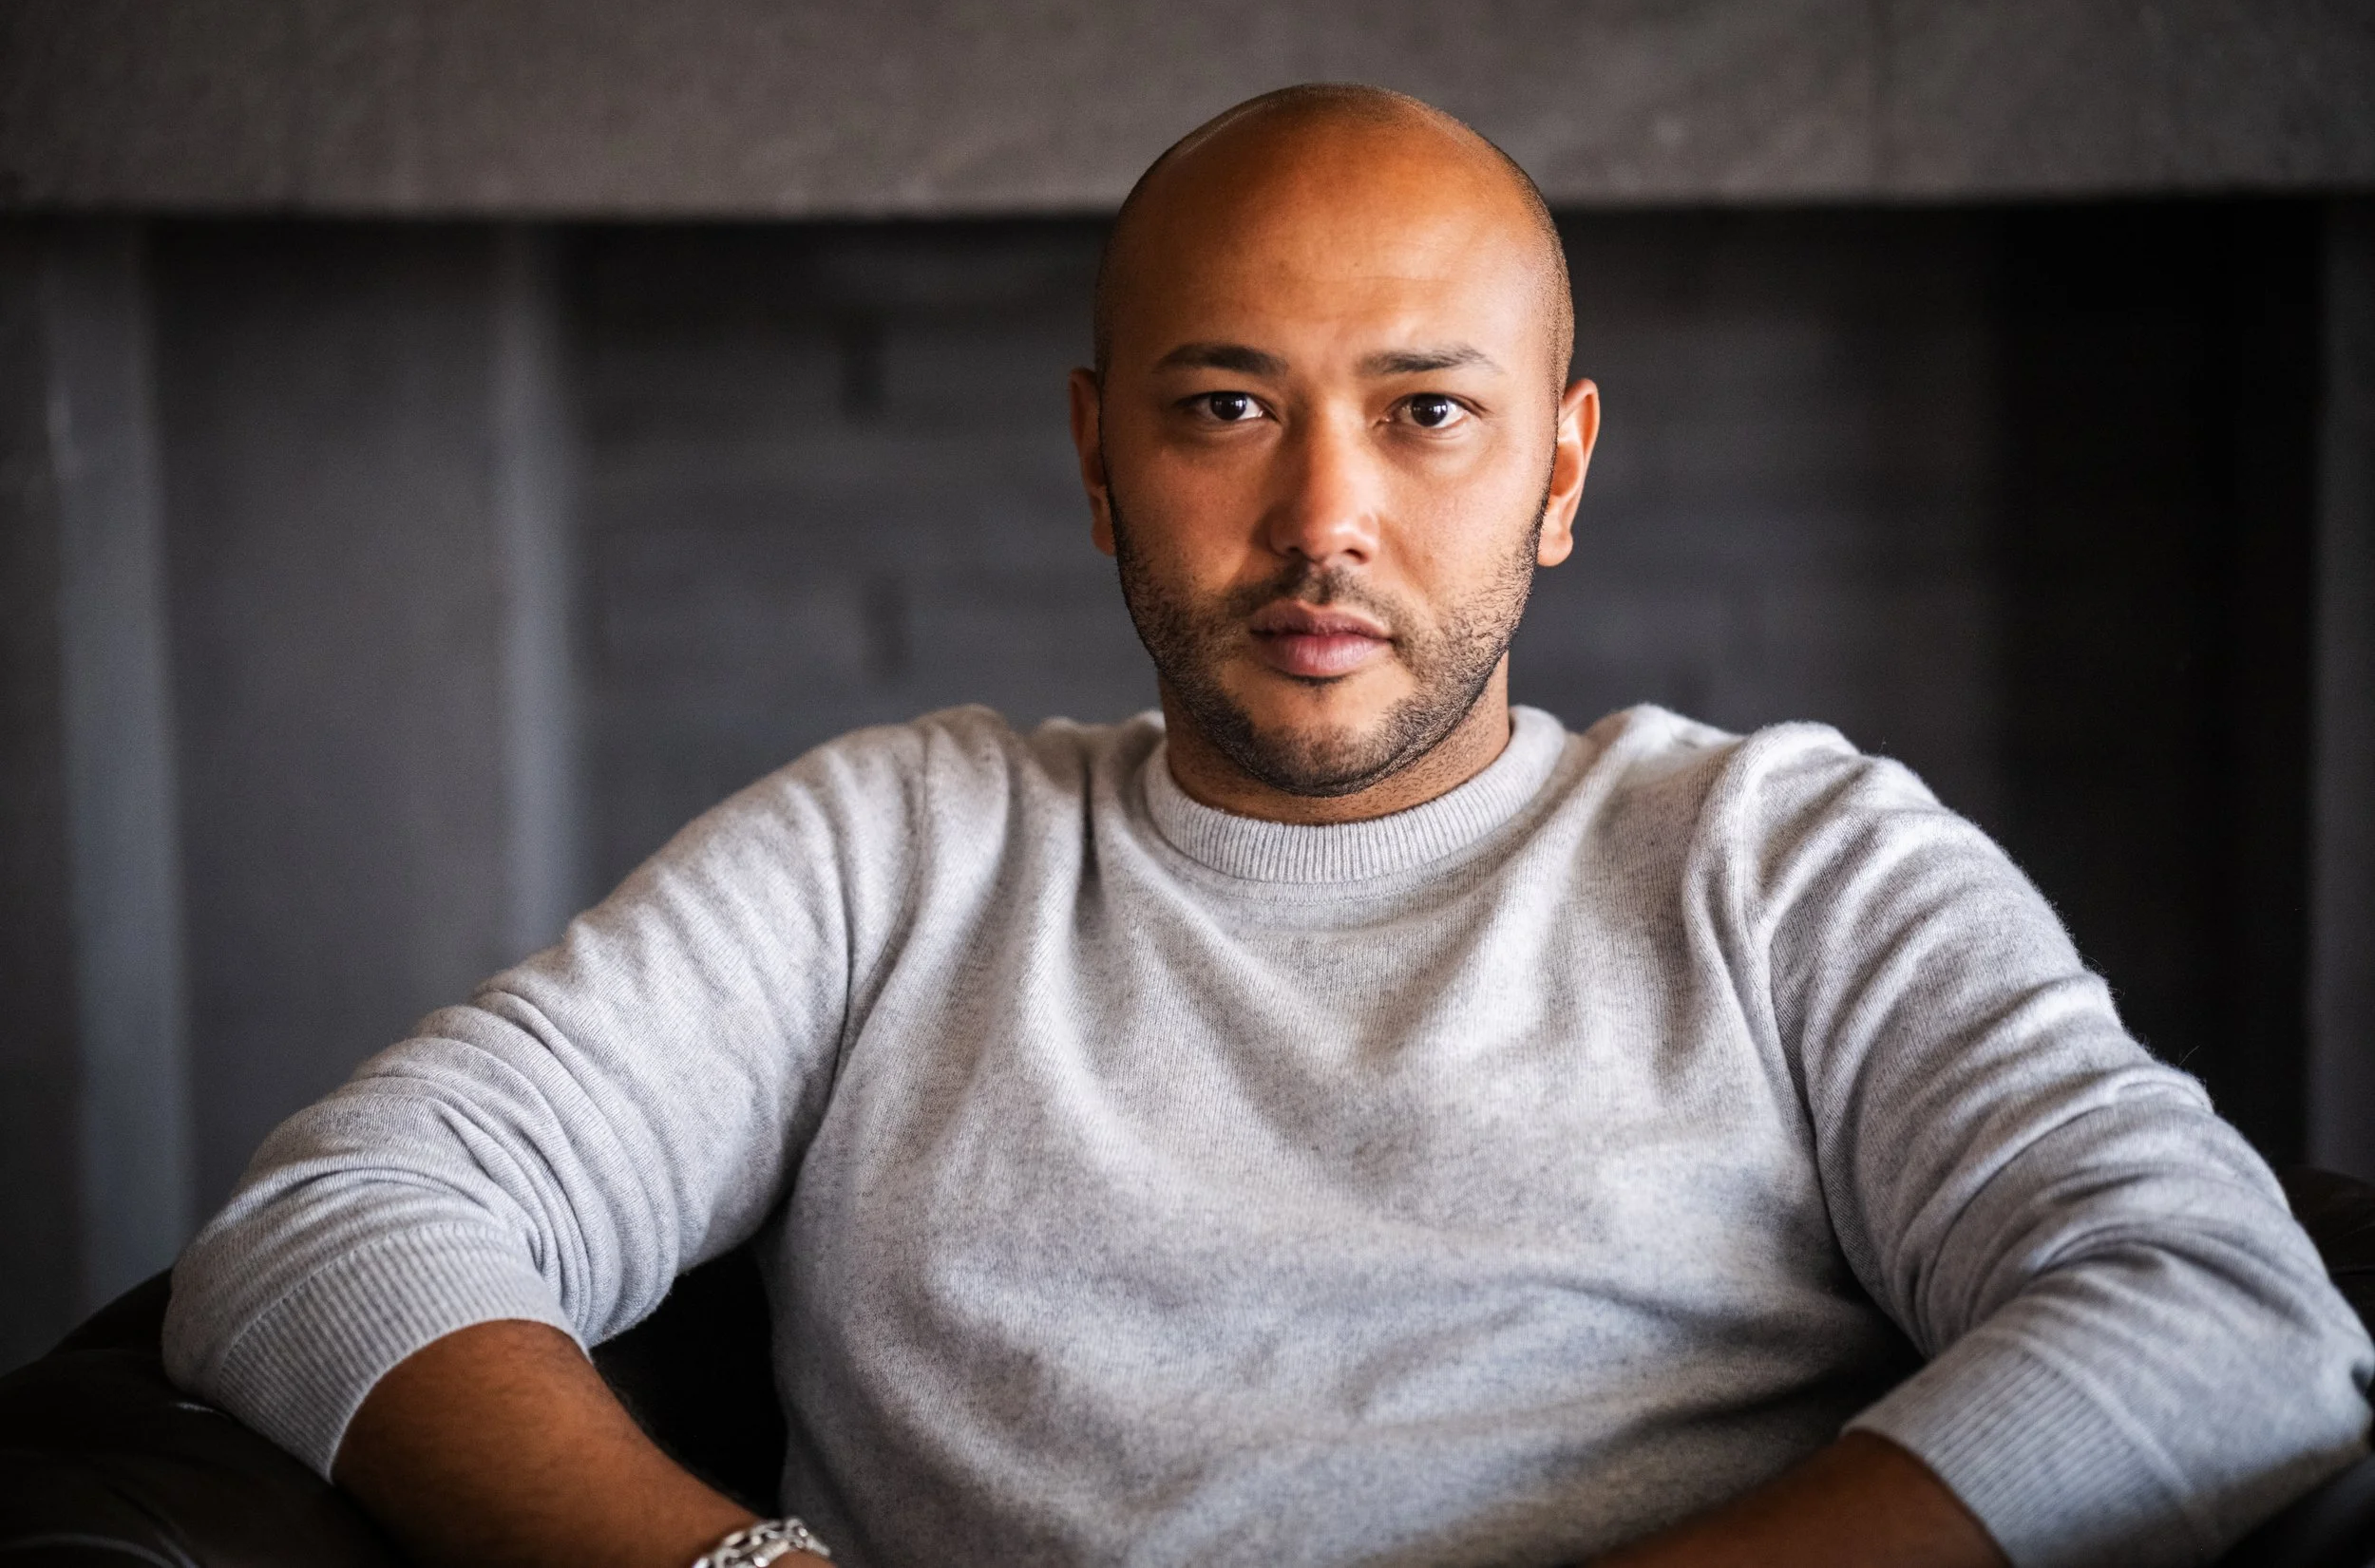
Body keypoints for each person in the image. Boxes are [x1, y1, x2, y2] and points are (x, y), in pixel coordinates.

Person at [164, 84, 2370, 1568]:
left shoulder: (1787, 862)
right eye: (1225, 405)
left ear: (1559, 470)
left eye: (1426, 414)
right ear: (1095, 457)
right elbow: (336, 1222)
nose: (1324, 515)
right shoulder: (885, 854)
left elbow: (2214, 1311)